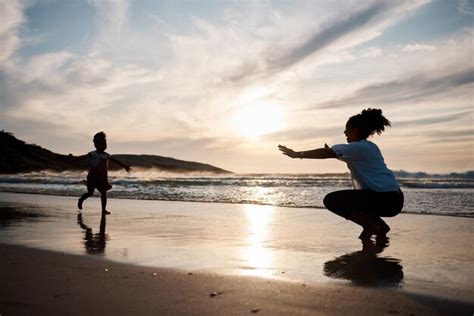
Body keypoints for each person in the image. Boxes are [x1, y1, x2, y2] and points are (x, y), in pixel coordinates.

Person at [278, 108, 403, 241]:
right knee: (356, 200)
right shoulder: (369, 147)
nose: (344, 132)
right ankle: (381, 228)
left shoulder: (358, 147)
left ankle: (369, 225)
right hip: (395, 199)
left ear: (355, 130)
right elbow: (338, 154)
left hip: (383, 199)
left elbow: (327, 154)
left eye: (347, 129)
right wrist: (331, 152)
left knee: (332, 200)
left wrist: (298, 154)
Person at [75, 132, 132, 215]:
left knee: (104, 194)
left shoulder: (106, 155)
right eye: (103, 143)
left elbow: (116, 161)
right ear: (97, 144)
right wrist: (73, 159)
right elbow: (82, 157)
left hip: (102, 179)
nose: (105, 145)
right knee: (90, 193)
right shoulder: (93, 154)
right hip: (93, 178)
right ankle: (81, 199)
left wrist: (125, 166)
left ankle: (103, 210)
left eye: (106, 143)